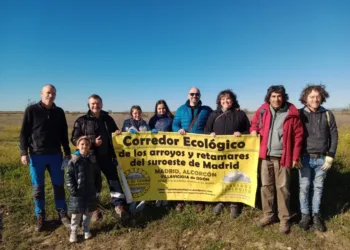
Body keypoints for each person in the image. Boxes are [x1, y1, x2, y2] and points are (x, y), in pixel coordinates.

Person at [250, 85, 303, 234]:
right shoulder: (262, 110)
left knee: (283, 188)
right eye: (273, 96)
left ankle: (284, 219)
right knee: (266, 187)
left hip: (283, 158)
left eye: (279, 96)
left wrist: (295, 156)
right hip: (265, 157)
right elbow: (254, 123)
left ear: (283, 97)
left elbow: (298, 136)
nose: (276, 99)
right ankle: (268, 215)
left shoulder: (292, 112)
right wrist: (253, 129)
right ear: (269, 97)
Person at [19, 84, 71, 232]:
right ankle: (40, 215)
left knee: (59, 185)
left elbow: (63, 133)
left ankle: (62, 213)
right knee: (38, 187)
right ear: (41, 93)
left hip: (56, 155)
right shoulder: (31, 110)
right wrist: (24, 152)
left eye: (53, 93)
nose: (51, 95)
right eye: (48, 93)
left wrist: (67, 151)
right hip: (37, 155)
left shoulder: (59, 112)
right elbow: (24, 133)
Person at [71, 94, 129, 223]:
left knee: (114, 180)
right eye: (92, 103)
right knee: (93, 183)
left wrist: (118, 133)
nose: (95, 105)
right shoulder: (81, 120)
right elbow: (74, 139)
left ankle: (119, 205)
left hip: (107, 156)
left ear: (101, 104)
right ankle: (94, 208)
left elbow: (115, 133)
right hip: (90, 158)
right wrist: (91, 142)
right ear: (89, 105)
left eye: (97, 103)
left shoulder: (107, 118)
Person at [297, 84, 338, 232]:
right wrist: (296, 157)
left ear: (322, 97)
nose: (315, 99)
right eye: (312, 97)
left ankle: (316, 215)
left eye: (317, 96)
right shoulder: (299, 114)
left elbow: (334, 135)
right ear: (305, 98)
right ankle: (305, 215)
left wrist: (331, 156)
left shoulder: (327, 114)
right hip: (304, 159)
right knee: (304, 187)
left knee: (318, 188)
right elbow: (294, 136)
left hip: (322, 159)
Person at [204, 89, 250, 218]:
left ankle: (234, 204)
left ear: (233, 100)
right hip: (218, 153)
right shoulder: (213, 114)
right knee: (220, 177)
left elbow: (248, 130)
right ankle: (221, 201)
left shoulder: (240, 114)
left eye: (228, 99)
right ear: (219, 101)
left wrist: (242, 134)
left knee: (234, 176)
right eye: (223, 99)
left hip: (235, 153)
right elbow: (206, 130)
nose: (225, 101)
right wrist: (209, 134)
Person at [172, 87, 212, 212]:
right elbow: (175, 124)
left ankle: (199, 200)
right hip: (184, 146)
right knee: (183, 173)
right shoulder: (181, 109)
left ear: (200, 96)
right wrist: (178, 130)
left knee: (199, 173)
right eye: (192, 94)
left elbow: (217, 118)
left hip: (200, 148)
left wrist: (236, 107)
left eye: (197, 94)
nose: (194, 96)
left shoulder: (206, 110)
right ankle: (180, 199)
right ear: (188, 95)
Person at [66, 136, 102, 243]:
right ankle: (74, 231)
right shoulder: (73, 160)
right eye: (82, 144)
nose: (84, 146)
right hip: (77, 192)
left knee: (88, 212)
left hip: (90, 191)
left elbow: (97, 175)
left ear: (89, 146)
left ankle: (86, 228)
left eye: (86, 144)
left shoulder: (92, 160)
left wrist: (98, 188)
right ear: (77, 146)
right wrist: (72, 190)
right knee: (76, 213)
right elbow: (69, 176)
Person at [118, 105, 150, 213]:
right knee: (132, 177)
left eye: (139, 112)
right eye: (135, 113)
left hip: (143, 155)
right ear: (132, 114)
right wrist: (126, 133)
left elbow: (149, 137)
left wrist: (154, 134)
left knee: (142, 175)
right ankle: (132, 200)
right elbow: (122, 136)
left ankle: (142, 198)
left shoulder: (145, 123)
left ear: (141, 113)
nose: (137, 115)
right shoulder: (127, 122)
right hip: (131, 155)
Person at [148, 100, 174, 207]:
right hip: (156, 151)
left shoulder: (171, 118)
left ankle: (167, 196)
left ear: (166, 108)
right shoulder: (152, 119)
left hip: (168, 151)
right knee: (157, 173)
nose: (161, 110)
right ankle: (158, 195)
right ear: (156, 109)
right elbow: (147, 134)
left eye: (163, 108)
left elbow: (175, 132)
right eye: (159, 108)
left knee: (168, 173)